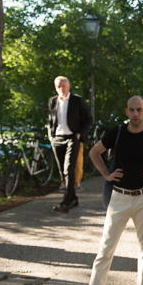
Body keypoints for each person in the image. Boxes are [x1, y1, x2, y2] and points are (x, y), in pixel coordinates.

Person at [77, 96, 143, 285]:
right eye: (132, 110)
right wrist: (106, 174)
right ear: (127, 112)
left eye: (139, 110)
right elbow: (93, 152)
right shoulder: (117, 132)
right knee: (105, 249)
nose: (136, 114)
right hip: (119, 197)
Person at [48, 76, 93, 213]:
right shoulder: (52, 101)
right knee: (62, 171)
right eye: (59, 86)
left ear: (69, 86)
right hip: (57, 139)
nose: (61, 88)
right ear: (56, 88)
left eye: (64, 86)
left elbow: (88, 119)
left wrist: (79, 134)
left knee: (69, 169)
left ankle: (66, 202)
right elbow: (51, 120)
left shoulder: (77, 101)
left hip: (72, 138)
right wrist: (51, 136)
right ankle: (73, 199)